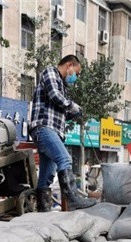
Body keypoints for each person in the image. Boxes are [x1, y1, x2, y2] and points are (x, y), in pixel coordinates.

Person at [29, 54, 96, 212]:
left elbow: (60, 108)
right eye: (76, 73)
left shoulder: (62, 87)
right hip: (44, 128)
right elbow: (54, 96)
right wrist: (73, 106)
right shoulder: (50, 72)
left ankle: (43, 211)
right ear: (69, 66)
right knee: (65, 159)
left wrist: (74, 113)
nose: (75, 78)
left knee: (47, 173)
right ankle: (72, 200)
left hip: (54, 131)